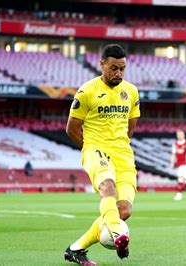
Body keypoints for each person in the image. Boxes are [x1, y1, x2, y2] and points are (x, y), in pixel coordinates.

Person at [64, 44, 140, 265]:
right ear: (102, 64)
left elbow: (130, 127)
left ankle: (75, 249)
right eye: (114, 68)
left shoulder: (131, 91)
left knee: (123, 210)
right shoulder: (87, 91)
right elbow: (72, 128)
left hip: (123, 154)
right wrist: (89, 149)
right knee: (108, 186)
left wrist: (119, 146)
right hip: (96, 148)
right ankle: (119, 235)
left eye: (122, 69)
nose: (118, 73)